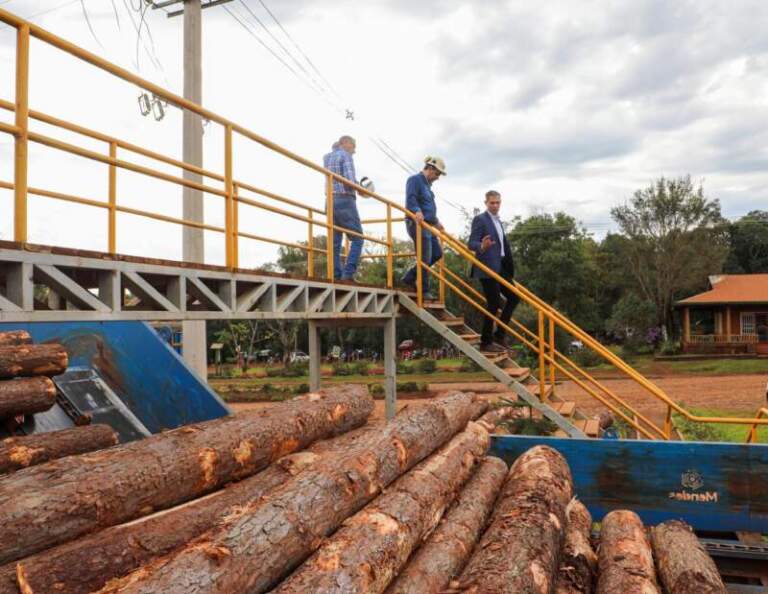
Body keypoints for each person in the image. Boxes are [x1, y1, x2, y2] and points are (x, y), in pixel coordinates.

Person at [468, 190, 520, 352]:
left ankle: (499, 334)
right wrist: (481, 246)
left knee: (514, 297)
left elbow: (503, 247)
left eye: (498, 202)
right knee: (494, 303)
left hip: (500, 267)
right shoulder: (480, 219)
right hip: (487, 268)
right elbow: (471, 243)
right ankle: (486, 341)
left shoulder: (498, 221)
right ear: (486, 203)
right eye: (492, 203)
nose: (495, 205)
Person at [402, 156, 447, 300]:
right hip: (417, 223)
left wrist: (437, 222)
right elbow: (411, 199)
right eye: (438, 174)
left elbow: (428, 207)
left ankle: (409, 277)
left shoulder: (428, 187)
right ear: (431, 169)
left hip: (428, 224)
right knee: (425, 257)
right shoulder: (415, 180)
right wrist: (416, 210)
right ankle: (424, 290)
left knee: (437, 253)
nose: (438, 177)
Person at [324, 135, 362, 281]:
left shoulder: (326, 158)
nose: (354, 151)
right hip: (344, 199)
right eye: (353, 147)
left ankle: (335, 275)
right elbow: (349, 181)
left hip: (329, 200)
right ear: (345, 143)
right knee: (358, 238)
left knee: (334, 241)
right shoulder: (345, 156)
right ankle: (348, 274)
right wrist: (361, 189)